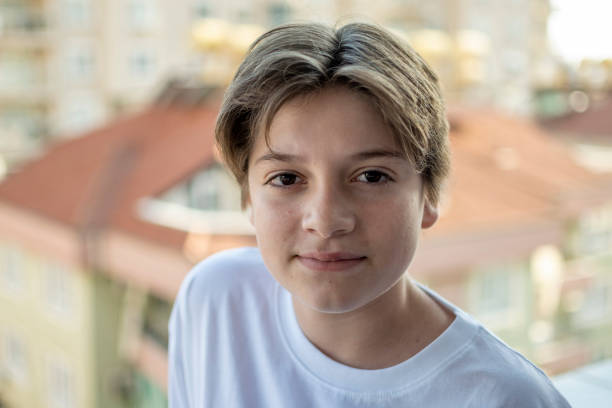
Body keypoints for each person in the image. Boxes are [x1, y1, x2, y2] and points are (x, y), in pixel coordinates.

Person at [168, 22, 570, 407]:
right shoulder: (214, 301)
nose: (325, 221)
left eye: (372, 176)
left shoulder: (505, 398)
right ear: (248, 200)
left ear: (429, 196)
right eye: (286, 178)